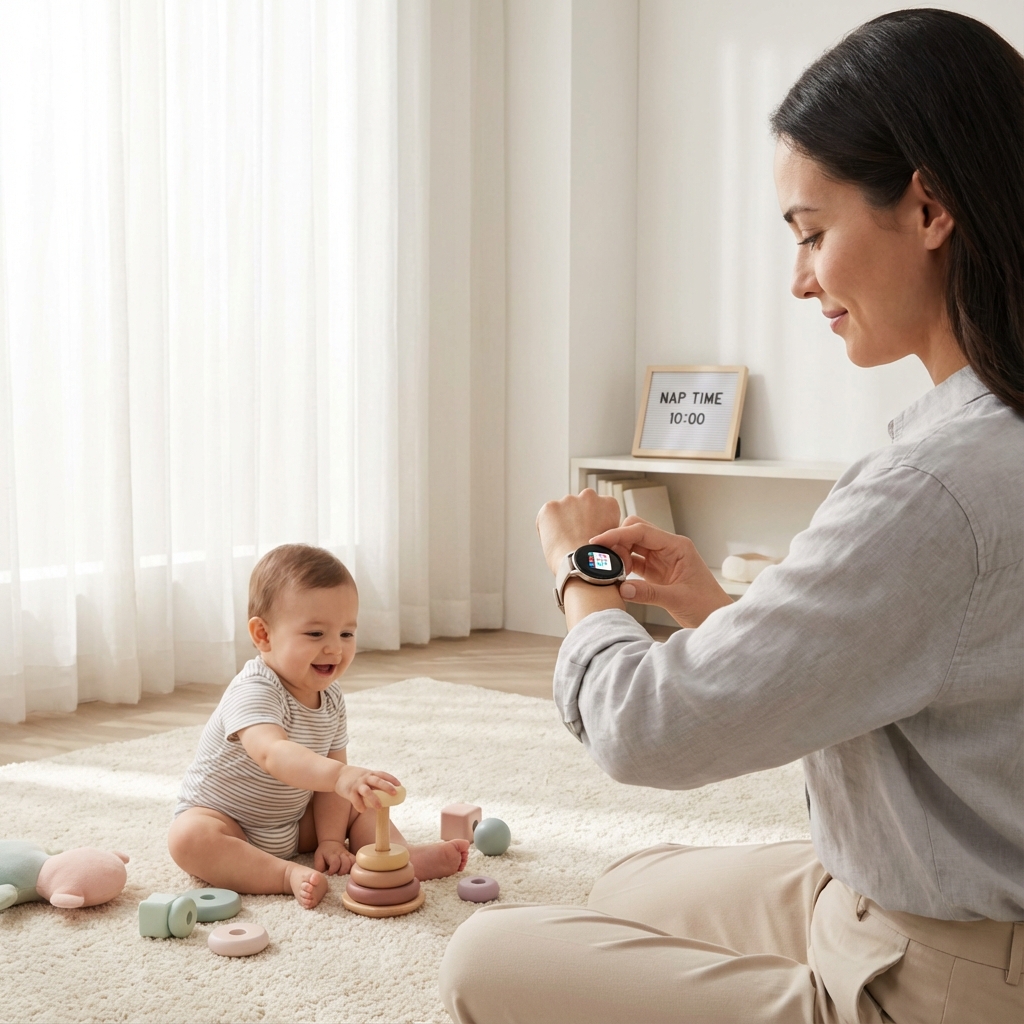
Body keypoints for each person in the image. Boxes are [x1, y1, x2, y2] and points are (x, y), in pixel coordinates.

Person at [440, 9, 1022, 1022]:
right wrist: (715, 605)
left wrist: (581, 580)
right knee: (628, 886)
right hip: (907, 893)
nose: (800, 280)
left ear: (928, 205)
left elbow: (645, 729)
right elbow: (920, 669)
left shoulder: (934, 487)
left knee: (482, 959)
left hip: (947, 975)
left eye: (812, 233)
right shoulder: (983, 443)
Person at [169, 543, 469, 908]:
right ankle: (283, 874)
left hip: (294, 823)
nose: (334, 649)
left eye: (346, 634)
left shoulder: (331, 697)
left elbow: (332, 783)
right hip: (230, 821)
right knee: (188, 838)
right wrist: (340, 776)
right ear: (263, 635)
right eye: (315, 634)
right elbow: (272, 753)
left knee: (361, 801)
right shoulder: (254, 689)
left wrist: (329, 839)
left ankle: (397, 856)